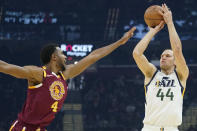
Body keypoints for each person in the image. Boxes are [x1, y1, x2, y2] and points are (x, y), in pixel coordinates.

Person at [0, 27, 136, 131]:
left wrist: (119, 42)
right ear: (54, 57)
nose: (65, 57)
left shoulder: (65, 74)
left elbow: (94, 56)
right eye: (62, 53)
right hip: (24, 128)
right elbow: (7, 67)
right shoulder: (38, 73)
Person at [132, 4, 189, 131]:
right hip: (150, 128)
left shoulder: (181, 75)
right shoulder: (151, 73)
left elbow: (177, 50)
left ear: (175, 62)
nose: (163, 57)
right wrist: (152, 31)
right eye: (162, 56)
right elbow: (136, 53)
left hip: (172, 128)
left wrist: (170, 23)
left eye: (168, 56)